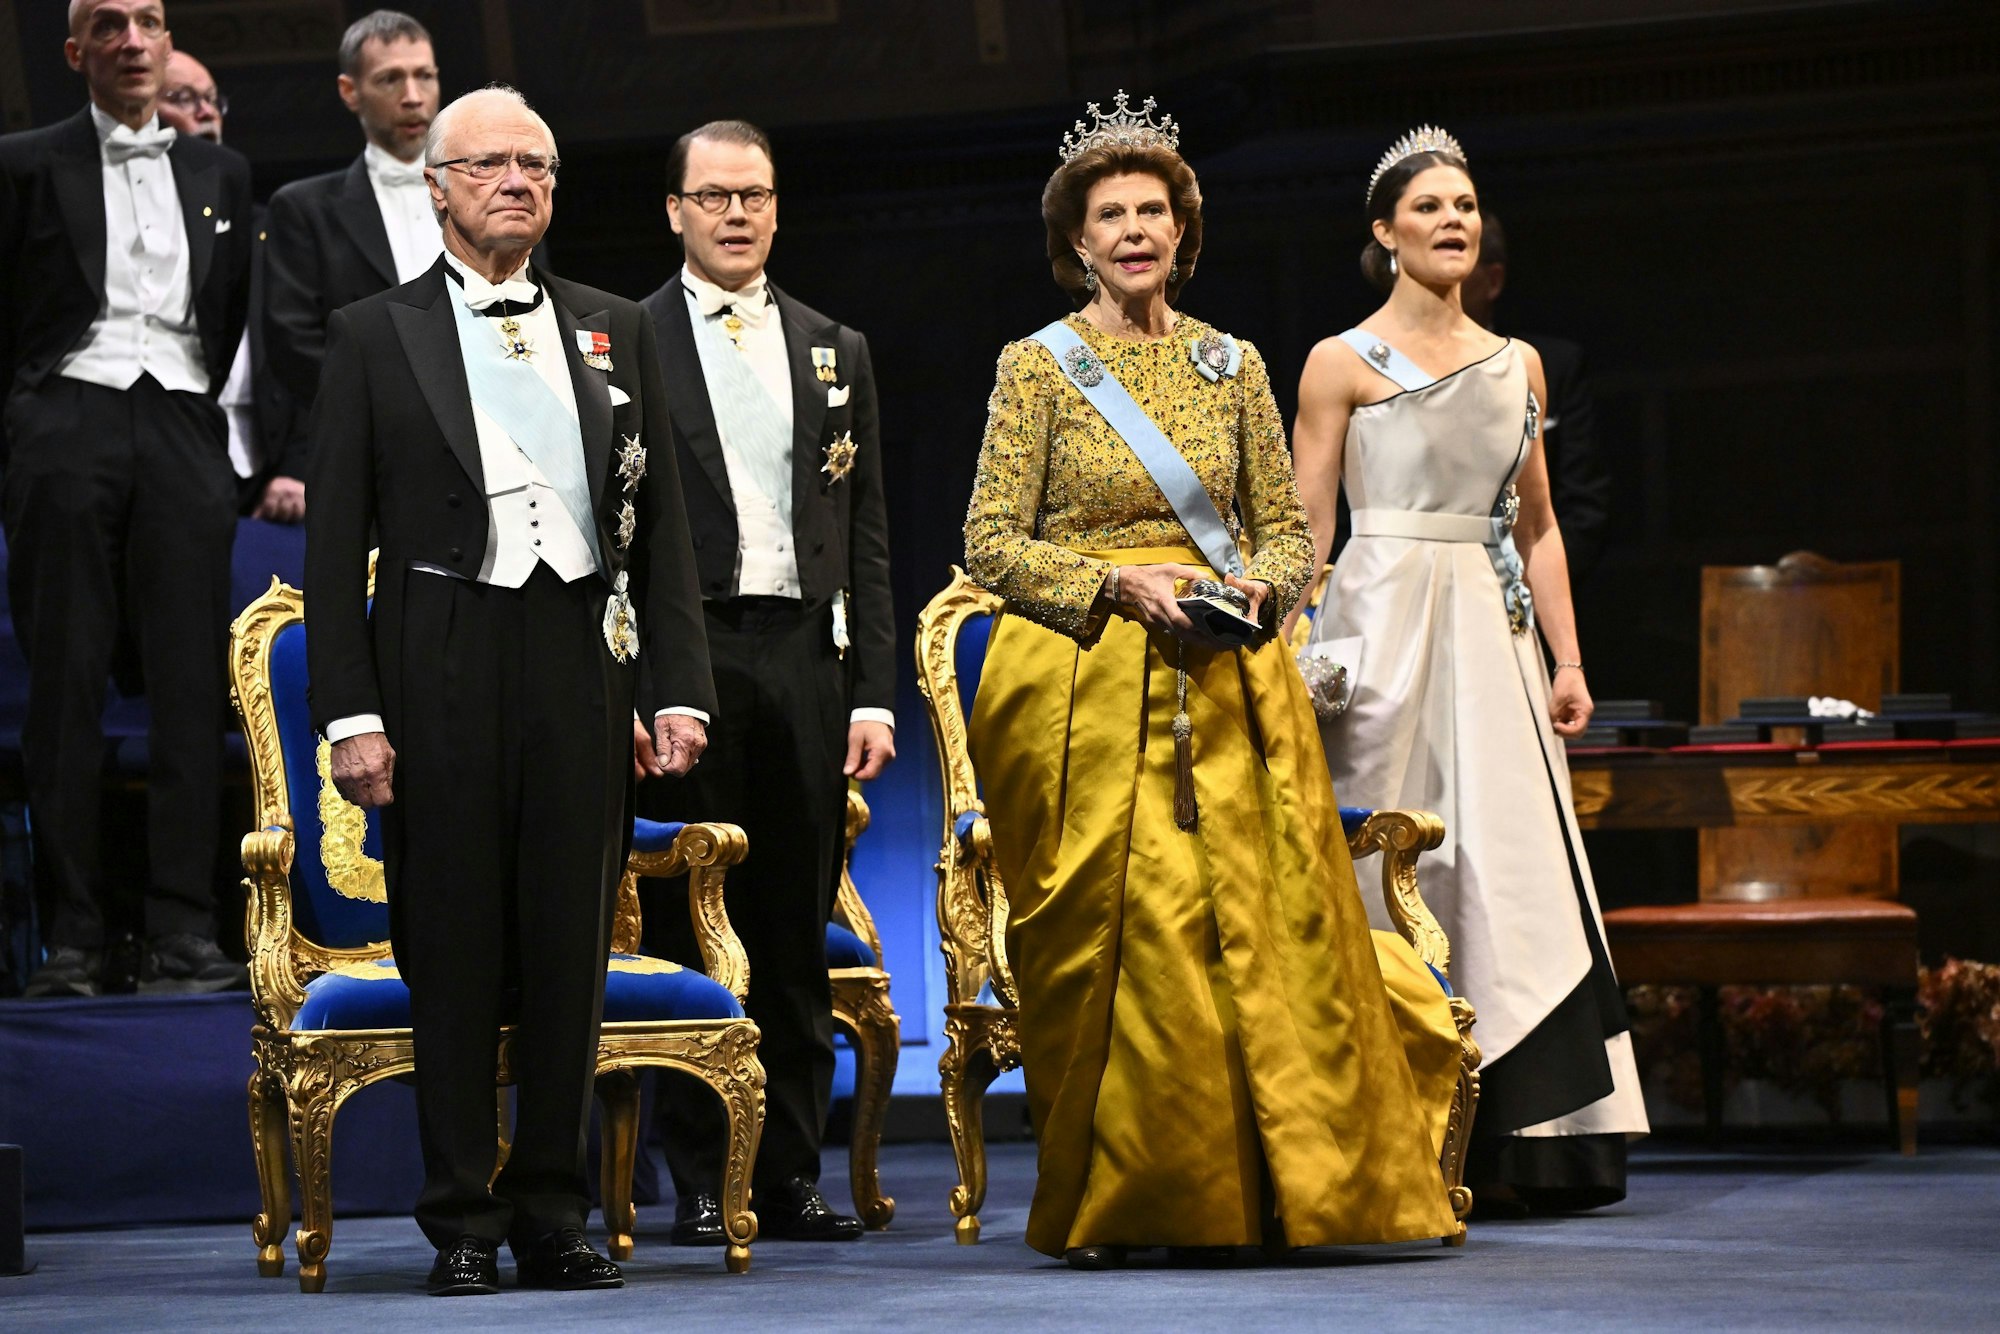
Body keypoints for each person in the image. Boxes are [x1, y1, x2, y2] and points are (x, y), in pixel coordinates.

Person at [962, 93, 1462, 1267]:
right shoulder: (1034, 370)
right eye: (1109, 215)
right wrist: (1114, 585)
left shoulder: (1232, 362)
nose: (1133, 231)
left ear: (1182, 231)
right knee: (1147, 931)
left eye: (1152, 211)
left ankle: (1289, 1187)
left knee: (1269, 926)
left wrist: (1258, 593)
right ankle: (1148, 1192)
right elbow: (990, 539)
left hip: (1230, 675)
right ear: (1075, 241)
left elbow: (1286, 532)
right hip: (1085, 675)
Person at [305, 84, 714, 1295]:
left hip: (582, 650)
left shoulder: (608, 324)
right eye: (489, 165)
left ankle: (554, 1207)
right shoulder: (374, 330)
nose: (517, 183)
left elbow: (662, 531)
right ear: (436, 186)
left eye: (536, 164)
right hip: (440, 645)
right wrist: (352, 712)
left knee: (565, 941)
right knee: (456, 939)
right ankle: (463, 1217)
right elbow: (333, 550)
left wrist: (676, 683)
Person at [1291, 127, 1648, 1214]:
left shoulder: (1517, 363)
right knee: (1388, 853)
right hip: (1382, 617)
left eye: (1465, 204)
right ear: (1383, 234)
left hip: (1490, 635)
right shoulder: (1337, 361)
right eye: (1429, 206)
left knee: (1507, 858)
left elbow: (1535, 525)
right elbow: (1306, 530)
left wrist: (1568, 656)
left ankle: (1531, 1134)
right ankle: (1383, 1119)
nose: (1453, 219)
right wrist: (1299, 651)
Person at [633, 119, 894, 1245]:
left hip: (804, 659)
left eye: (754, 195)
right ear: (676, 211)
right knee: (693, 923)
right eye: (713, 195)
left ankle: (787, 1172)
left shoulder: (836, 344)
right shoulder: (624, 335)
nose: (735, 213)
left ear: (778, 208)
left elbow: (869, 530)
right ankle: (700, 1174)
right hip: (687, 658)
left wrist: (875, 691)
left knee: (791, 922)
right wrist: (647, 682)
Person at [0, 0, 252, 998]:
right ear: (77, 52)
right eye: (109, 24)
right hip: (67, 417)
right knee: (65, 680)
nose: (133, 39)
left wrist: (186, 414)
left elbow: (224, 313)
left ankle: (185, 929)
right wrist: (28, 421)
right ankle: (74, 934)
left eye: (147, 20)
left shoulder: (221, 171)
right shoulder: (22, 160)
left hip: (183, 421)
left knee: (192, 683)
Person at [264, 9, 445, 520]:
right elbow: (291, 343)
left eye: (424, 76)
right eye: (390, 78)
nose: (413, 96)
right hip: (364, 455)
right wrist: (392, 406)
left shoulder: (489, 197)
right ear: (350, 91)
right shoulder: (303, 209)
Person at [155, 48, 297, 517]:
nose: (206, 112)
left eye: (214, 100)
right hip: (164, 477)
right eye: (183, 98)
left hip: (269, 481)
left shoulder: (271, 232)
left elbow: (313, 359)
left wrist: (297, 467)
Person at [1458, 213, 1612, 585]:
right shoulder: (1374, 370)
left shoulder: (1543, 364)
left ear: (1492, 280)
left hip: (1522, 593)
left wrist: (1517, 592)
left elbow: (1579, 513)